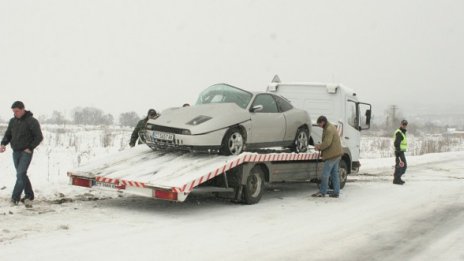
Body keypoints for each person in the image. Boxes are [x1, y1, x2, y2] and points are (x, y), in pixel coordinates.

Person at [0, 101, 43, 207]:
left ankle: (15, 198)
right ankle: (29, 195)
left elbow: (39, 137)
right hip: (16, 151)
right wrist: (3, 143)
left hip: (26, 152)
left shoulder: (32, 121)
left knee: (20, 174)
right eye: (13, 111)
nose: (15, 113)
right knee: (22, 174)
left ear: (23, 109)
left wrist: (30, 148)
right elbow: (8, 134)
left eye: (17, 111)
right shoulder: (13, 121)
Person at [312, 116, 343, 198]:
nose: (319, 125)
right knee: (334, 174)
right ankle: (336, 192)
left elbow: (327, 143)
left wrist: (319, 146)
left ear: (323, 122)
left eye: (319, 124)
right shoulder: (330, 127)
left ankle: (322, 192)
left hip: (331, 155)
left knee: (325, 174)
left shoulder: (329, 129)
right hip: (337, 154)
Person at [393, 120, 408, 185]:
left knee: (400, 165)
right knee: (401, 166)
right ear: (401, 124)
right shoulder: (399, 132)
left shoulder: (402, 132)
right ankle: (396, 179)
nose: (404, 125)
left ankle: (397, 179)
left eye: (405, 124)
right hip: (399, 152)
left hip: (401, 151)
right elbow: (396, 143)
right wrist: (398, 151)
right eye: (403, 124)